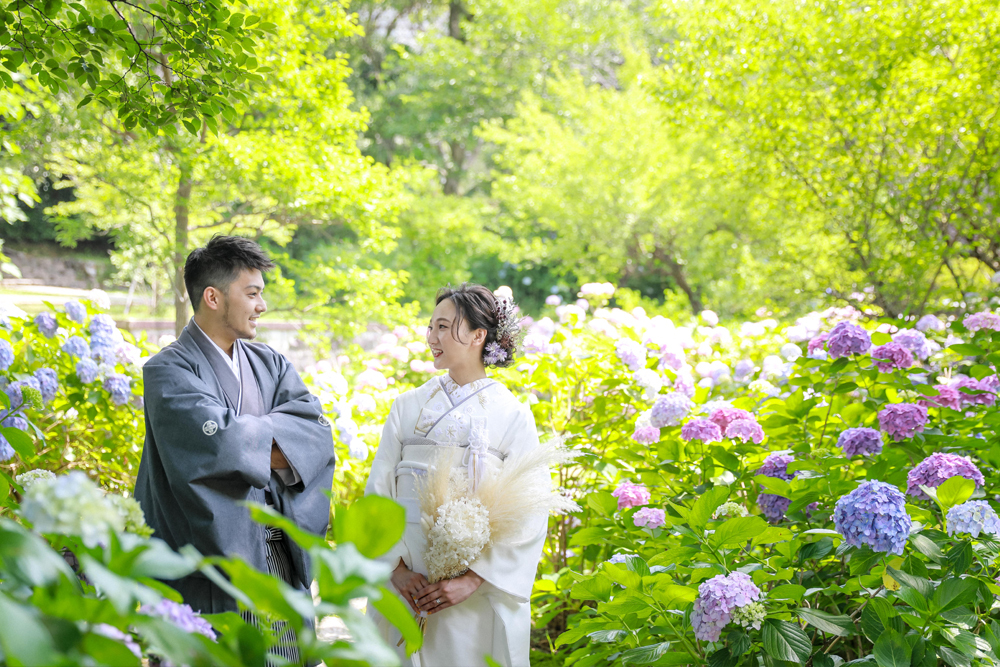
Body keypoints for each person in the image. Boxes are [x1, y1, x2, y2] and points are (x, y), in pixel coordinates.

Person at [134, 236, 336, 663]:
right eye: (252, 293)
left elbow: (316, 435)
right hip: (207, 569)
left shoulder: (271, 363)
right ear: (213, 297)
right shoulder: (167, 372)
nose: (262, 305)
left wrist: (248, 442)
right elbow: (221, 446)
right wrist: (276, 440)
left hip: (279, 558)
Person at [365, 283, 547, 667]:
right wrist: (395, 570)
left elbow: (530, 512)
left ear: (478, 336)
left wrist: (473, 579)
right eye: (431, 326)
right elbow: (379, 493)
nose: (432, 337)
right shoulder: (407, 406)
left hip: (474, 594)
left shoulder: (513, 415)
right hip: (407, 583)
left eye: (444, 327)